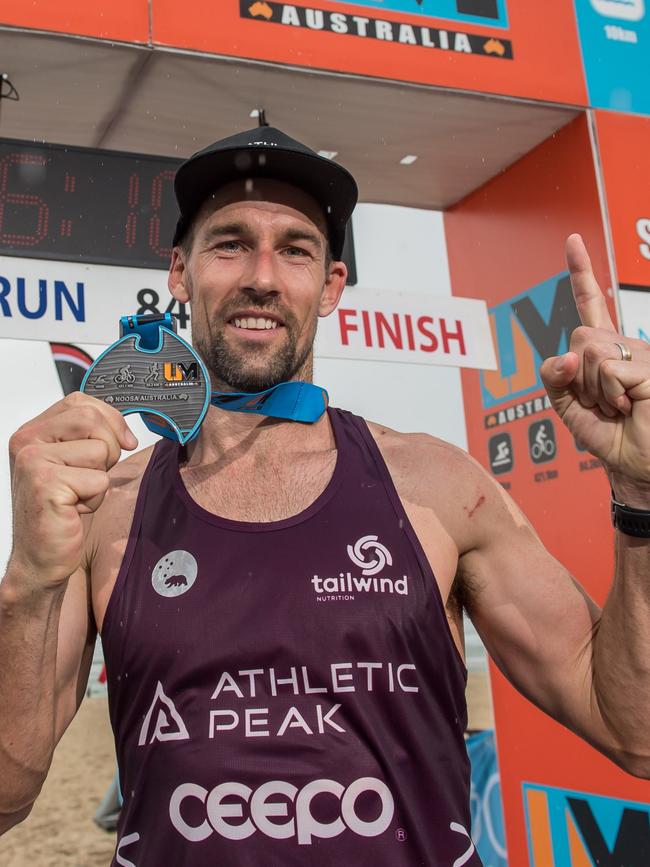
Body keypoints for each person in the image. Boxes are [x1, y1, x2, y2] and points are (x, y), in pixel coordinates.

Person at [1, 125, 649, 867]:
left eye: (296, 249)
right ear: (179, 272)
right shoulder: (105, 507)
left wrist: (640, 493)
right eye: (231, 243)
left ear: (333, 284)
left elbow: (634, 733)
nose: (263, 277)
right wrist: (27, 580)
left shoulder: (438, 485)